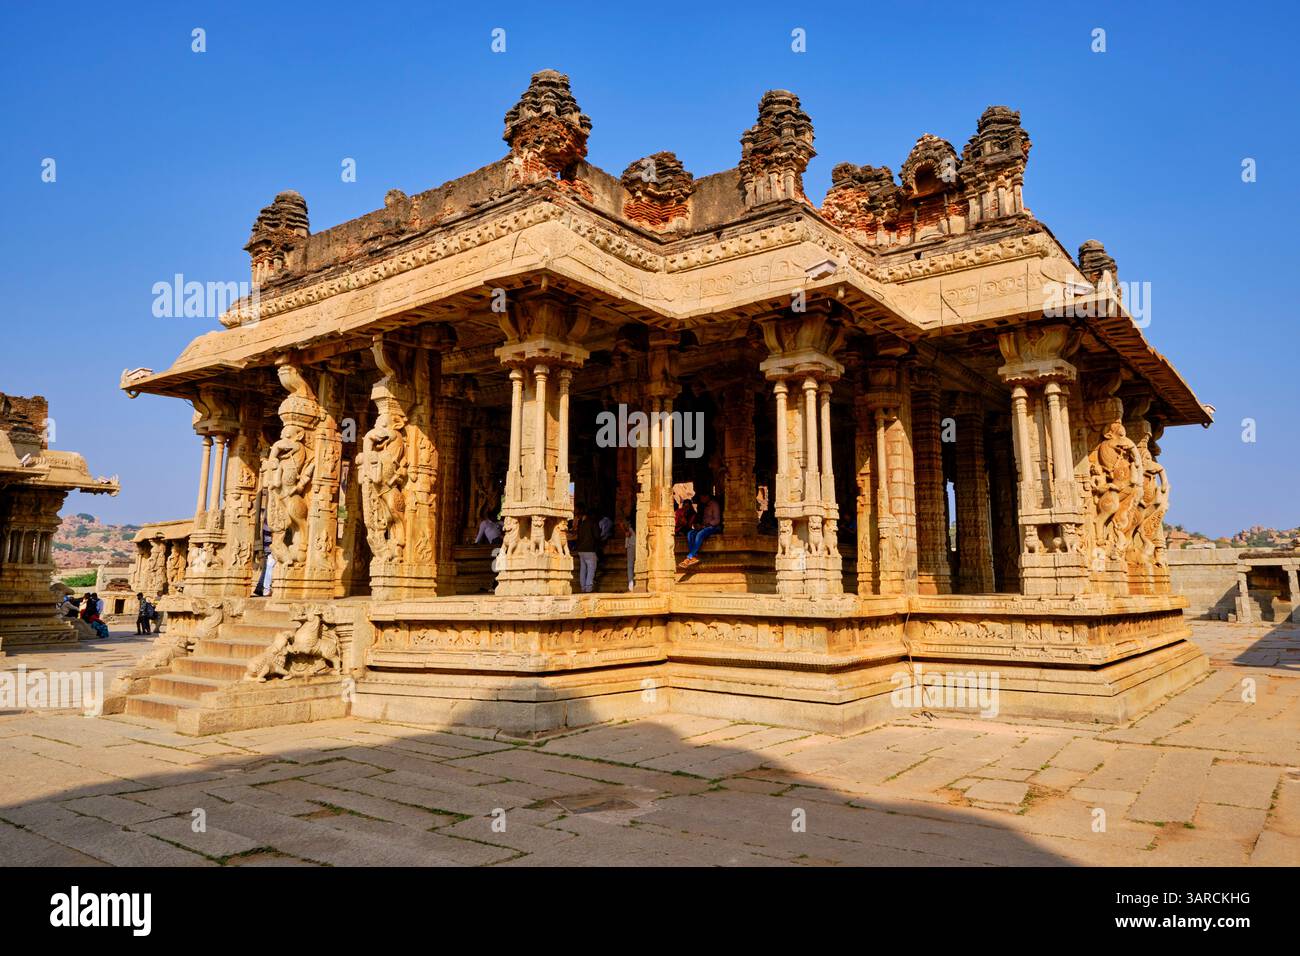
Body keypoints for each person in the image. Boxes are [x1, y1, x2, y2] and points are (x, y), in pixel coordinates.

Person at [679, 492, 722, 568]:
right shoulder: (703, 506)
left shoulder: (714, 505)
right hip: (704, 526)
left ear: (707, 496)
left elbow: (716, 521)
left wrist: (704, 526)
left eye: (701, 497)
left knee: (700, 534)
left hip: (713, 527)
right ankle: (694, 556)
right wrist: (698, 525)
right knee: (690, 533)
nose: (700, 499)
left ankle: (689, 557)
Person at [575, 505, 601, 593]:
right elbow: (597, 535)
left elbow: (578, 536)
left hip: (581, 550)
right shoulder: (592, 522)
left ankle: (583, 587)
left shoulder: (580, 523)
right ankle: (589, 587)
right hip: (590, 549)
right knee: (591, 568)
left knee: (583, 569)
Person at [620, 512, 636, 592]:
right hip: (637, 546)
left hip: (632, 546)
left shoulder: (630, 528)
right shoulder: (633, 527)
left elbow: (627, 534)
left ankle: (631, 584)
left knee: (630, 566)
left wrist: (625, 548)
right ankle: (632, 583)